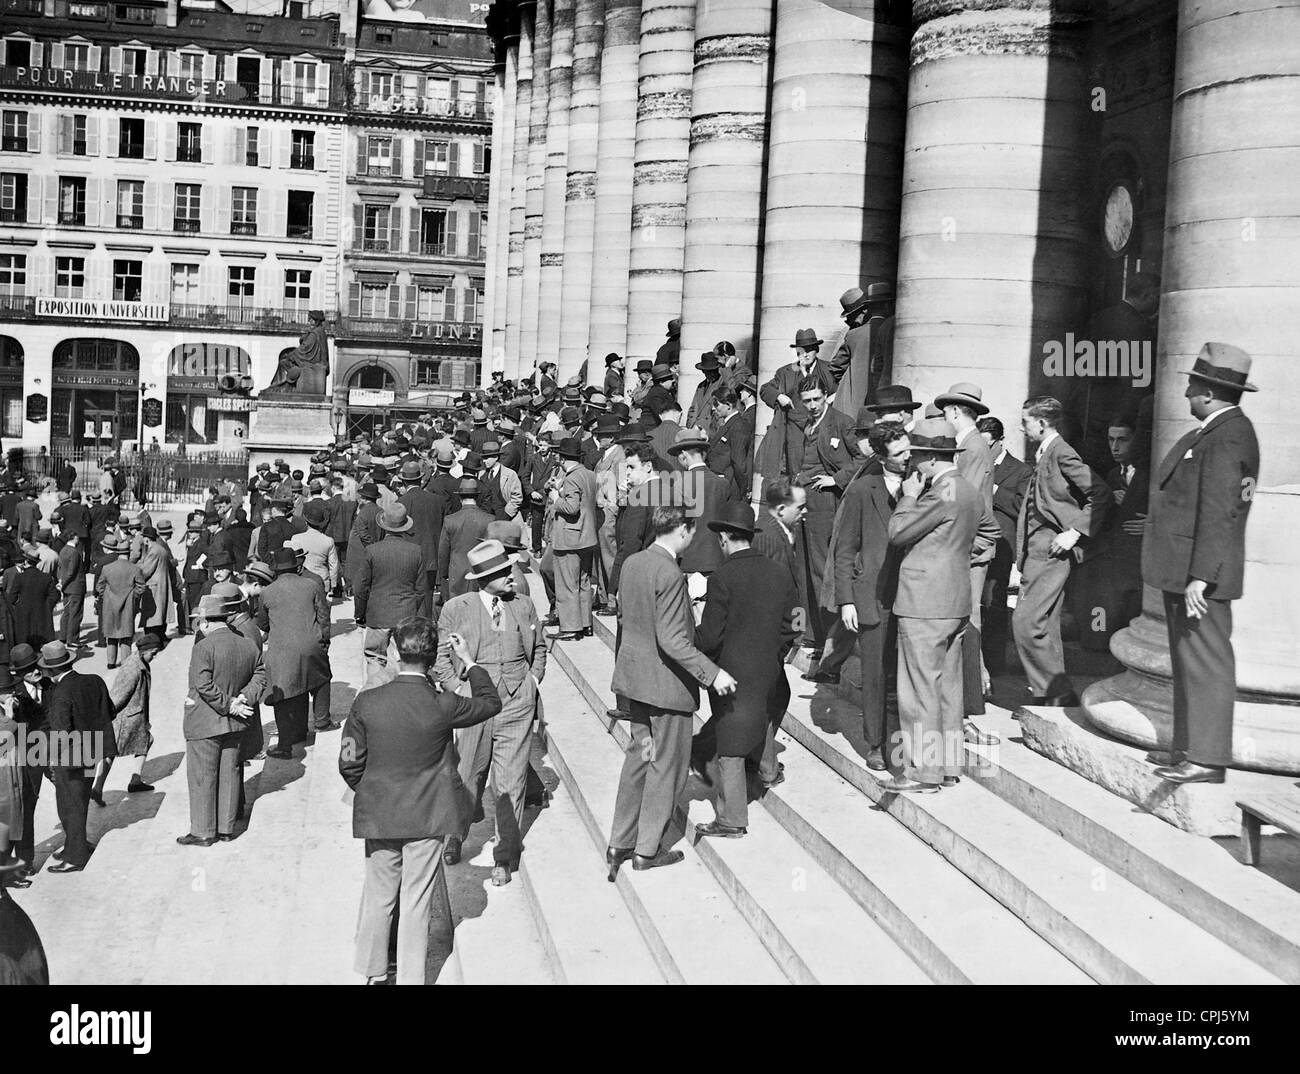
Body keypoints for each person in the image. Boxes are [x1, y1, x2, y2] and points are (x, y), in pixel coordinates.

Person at [340, 616, 499, 985]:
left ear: (394, 650)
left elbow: (349, 761)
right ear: (433, 658)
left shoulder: (368, 702)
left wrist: (370, 790)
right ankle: (412, 978)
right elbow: (490, 703)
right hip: (427, 817)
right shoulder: (444, 704)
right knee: (416, 901)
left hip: (380, 814)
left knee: (380, 896)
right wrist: (470, 662)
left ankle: (374, 972)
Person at [1145, 343, 1260, 785]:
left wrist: (1200, 576)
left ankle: (1208, 759)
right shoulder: (1213, 433)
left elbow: (1220, 512)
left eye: (1192, 385)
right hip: (1188, 570)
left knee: (1207, 661)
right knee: (1188, 659)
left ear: (1208, 392)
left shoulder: (1229, 435)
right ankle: (1188, 749)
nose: (1187, 392)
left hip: (1202, 576)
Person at [606, 506, 737, 876]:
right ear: (680, 531)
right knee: (667, 769)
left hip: (636, 684)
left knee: (638, 760)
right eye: (691, 534)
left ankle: (620, 842)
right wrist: (713, 675)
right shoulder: (670, 573)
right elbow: (674, 639)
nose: (692, 541)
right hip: (667, 689)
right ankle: (647, 850)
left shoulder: (633, 563)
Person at [885, 419, 1000, 792]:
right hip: (956, 601)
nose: (913, 466)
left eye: (917, 458)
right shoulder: (966, 489)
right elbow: (990, 532)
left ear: (931, 459)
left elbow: (898, 533)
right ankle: (949, 767)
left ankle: (924, 772)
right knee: (949, 690)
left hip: (924, 603)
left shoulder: (939, 492)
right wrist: (956, 556)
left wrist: (907, 496)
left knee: (919, 690)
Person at [434, 540, 546, 885]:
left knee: (511, 781)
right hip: (474, 707)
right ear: (484, 578)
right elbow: (440, 658)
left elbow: (539, 647)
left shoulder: (524, 605)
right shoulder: (456, 607)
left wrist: (531, 681)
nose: (512, 576)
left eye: (509, 569)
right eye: (503, 573)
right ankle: (455, 836)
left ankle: (505, 855)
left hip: (517, 703)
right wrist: (458, 690)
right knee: (468, 775)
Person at [692, 504, 798, 837]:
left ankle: (731, 818)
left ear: (724, 538)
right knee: (762, 714)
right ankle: (769, 772)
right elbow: (797, 619)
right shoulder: (779, 571)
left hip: (731, 672)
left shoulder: (723, 577)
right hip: (769, 668)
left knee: (730, 743)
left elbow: (710, 636)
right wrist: (777, 651)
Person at [1012, 397, 1112, 706]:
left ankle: (1057, 691)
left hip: (1052, 552)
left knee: (1025, 623)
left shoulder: (1061, 452)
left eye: (1026, 421)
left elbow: (1101, 492)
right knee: (1045, 625)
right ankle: (1050, 694)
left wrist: (1074, 532)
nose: (1022, 427)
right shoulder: (1046, 453)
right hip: (1036, 552)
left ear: (1041, 424)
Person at [826, 417, 909, 772]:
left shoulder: (921, 486)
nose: (908, 458)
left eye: (909, 450)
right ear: (880, 454)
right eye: (900, 453)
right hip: (872, 597)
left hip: (910, 596)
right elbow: (845, 550)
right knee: (874, 674)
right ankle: (875, 743)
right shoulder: (863, 490)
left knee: (902, 675)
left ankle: (903, 743)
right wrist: (846, 599)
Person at [935, 382, 999, 741]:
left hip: (968, 550)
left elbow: (966, 502)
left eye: (946, 412)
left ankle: (965, 710)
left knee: (965, 624)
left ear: (956, 412)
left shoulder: (972, 447)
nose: (945, 417)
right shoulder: (971, 445)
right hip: (965, 547)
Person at [178, 594, 266, 846]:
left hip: (205, 723)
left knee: (202, 776)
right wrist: (242, 700)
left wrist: (229, 705)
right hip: (237, 723)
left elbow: (202, 684)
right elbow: (260, 675)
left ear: (205, 621)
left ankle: (203, 832)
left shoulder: (203, 648)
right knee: (230, 772)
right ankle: (226, 828)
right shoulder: (247, 644)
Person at [790, 376, 863, 653]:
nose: (811, 406)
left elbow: (862, 457)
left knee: (822, 570)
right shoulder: (807, 424)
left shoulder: (841, 422)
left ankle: (830, 640)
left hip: (825, 505)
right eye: (806, 401)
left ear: (826, 397)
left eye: (816, 400)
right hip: (804, 504)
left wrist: (837, 479)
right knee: (803, 570)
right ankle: (809, 634)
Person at [1069, 416, 1149, 652]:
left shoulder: (1149, 475)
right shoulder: (1113, 475)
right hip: (1115, 555)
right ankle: (1097, 643)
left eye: (1122, 440)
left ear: (1136, 441)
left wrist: (1153, 523)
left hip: (1139, 560)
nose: (1115, 447)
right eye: (1111, 440)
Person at [41, 640, 116, 872]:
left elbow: (61, 731)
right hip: (93, 752)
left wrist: (52, 759)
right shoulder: (93, 680)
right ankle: (77, 845)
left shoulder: (60, 693)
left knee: (69, 806)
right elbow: (110, 711)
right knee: (80, 803)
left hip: (70, 758)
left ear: (52, 670)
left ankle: (75, 858)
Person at [256, 547, 334, 758]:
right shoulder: (312, 585)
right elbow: (323, 618)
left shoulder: (267, 592)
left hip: (281, 651)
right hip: (311, 645)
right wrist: (324, 642)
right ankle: (321, 721)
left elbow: (262, 623)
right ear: (296, 566)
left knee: (283, 693)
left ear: (276, 570)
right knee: (320, 679)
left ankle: (285, 744)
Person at [977, 416, 1032, 675]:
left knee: (993, 603)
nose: (984, 451)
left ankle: (994, 663)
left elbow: (1023, 506)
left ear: (1000, 442)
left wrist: (994, 488)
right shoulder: (973, 463)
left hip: (1001, 544)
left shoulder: (1021, 470)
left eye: (988, 445)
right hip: (974, 541)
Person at [355, 504, 429, 689]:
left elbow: (361, 587)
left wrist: (360, 613)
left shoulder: (372, 551)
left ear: (383, 525)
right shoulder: (416, 551)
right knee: (400, 659)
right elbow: (421, 589)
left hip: (377, 614)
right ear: (405, 527)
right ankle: (397, 696)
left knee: (374, 658)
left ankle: (374, 694)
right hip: (405, 615)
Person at [758, 328, 839, 484]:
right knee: (795, 472)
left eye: (809, 350)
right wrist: (779, 396)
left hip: (821, 429)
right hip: (794, 431)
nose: (805, 354)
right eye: (801, 351)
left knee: (819, 468)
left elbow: (841, 389)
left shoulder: (828, 370)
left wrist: (831, 398)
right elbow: (765, 389)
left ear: (816, 350)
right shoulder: (786, 372)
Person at [90, 632, 162, 805]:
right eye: (153, 653)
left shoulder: (139, 662)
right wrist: (106, 715)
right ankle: (97, 788)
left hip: (135, 717)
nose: (154, 656)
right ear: (145, 651)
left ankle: (134, 780)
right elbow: (118, 695)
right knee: (110, 752)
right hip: (126, 718)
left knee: (145, 741)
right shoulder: (133, 668)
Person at [549, 437, 598, 640]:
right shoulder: (589, 474)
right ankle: (585, 624)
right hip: (587, 536)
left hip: (569, 537)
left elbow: (571, 507)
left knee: (567, 583)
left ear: (562, 458)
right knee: (583, 582)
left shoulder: (571, 478)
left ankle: (570, 627)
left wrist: (555, 498)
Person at [829, 281, 895, 418]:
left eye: (851, 316)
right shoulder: (894, 330)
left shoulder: (853, 335)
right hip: (885, 405)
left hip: (852, 409)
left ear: (865, 310)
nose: (848, 321)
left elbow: (835, 368)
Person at [7, 644, 46, 875]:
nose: (35, 671)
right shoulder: (14, 696)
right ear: (19, 674)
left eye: (35, 665)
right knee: (24, 811)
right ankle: (24, 863)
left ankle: (76, 842)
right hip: (23, 761)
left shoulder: (49, 685)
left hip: (48, 754)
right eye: (29, 669)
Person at [438, 477, 493, 604]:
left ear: (460, 497)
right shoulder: (489, 520)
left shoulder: (450, 520)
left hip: (457, 573)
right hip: (481, 574)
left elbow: (443, 552)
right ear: (477, 497)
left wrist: (444, 574)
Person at [5, 544, 56, 650]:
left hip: (24, 614)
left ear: (26, 562)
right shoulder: (46, 577)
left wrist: (19, 606)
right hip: (42, 613)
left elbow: (11, 598)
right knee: (41, 644)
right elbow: (55, 595)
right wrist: (47, 605)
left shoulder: (19, 577)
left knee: (26, 645)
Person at [706, 387, 752, 501]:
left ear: (728, 405)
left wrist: (743, 489)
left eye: (716, 404)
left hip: (730, 487)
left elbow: (739, 462)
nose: (713, 408)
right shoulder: (728, 424)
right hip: (720, 485)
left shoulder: (738, 426)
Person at [289, 500, 340, 594]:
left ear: (306, 522)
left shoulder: (296, 538)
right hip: (322, 580)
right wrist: (333, 584)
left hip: (302, 579)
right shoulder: (328, 541)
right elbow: (334, 565)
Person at [136, 525, 177, 645]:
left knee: (152, 616)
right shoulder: (161, 549)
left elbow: (146, 571)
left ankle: (153, 640)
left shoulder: (153, 551)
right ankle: (161, 636)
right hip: (163, 584)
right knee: (162, 613)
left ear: (147, 539)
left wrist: (135, 574)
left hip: (154, 587)